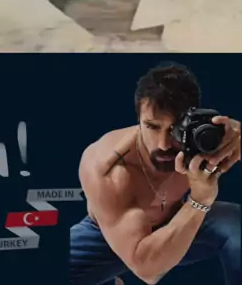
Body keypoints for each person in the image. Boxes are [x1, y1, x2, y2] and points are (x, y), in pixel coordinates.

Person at [70, 64, 241, 285]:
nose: (163, 144)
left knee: (235, 223)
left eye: (174, 129)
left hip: (175, 217)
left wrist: (237, 141)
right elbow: (147, 270)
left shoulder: (203, 139)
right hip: (106, 236)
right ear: (138, 120)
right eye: (152, 127)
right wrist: (200, 201)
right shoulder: (109, 169)